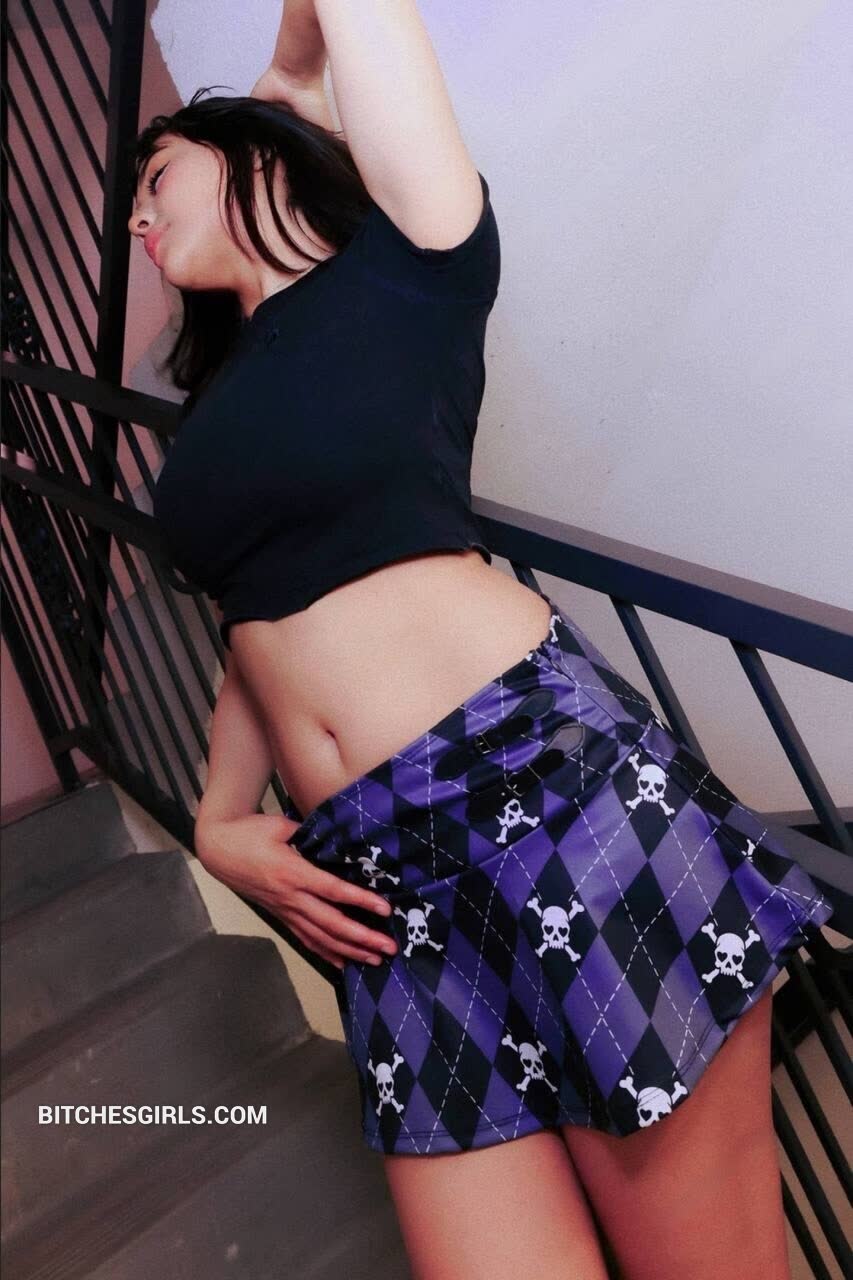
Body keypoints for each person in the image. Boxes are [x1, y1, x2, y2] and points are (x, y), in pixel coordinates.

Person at [127, 4, 834, 1277]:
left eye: (155, 174)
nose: (136, 215)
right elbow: (254, 619)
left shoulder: (414, 262)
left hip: (545, 798)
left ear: (249, 157)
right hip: (384, 895)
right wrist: (222, 817)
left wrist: (285, 74)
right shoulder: (224, 399)